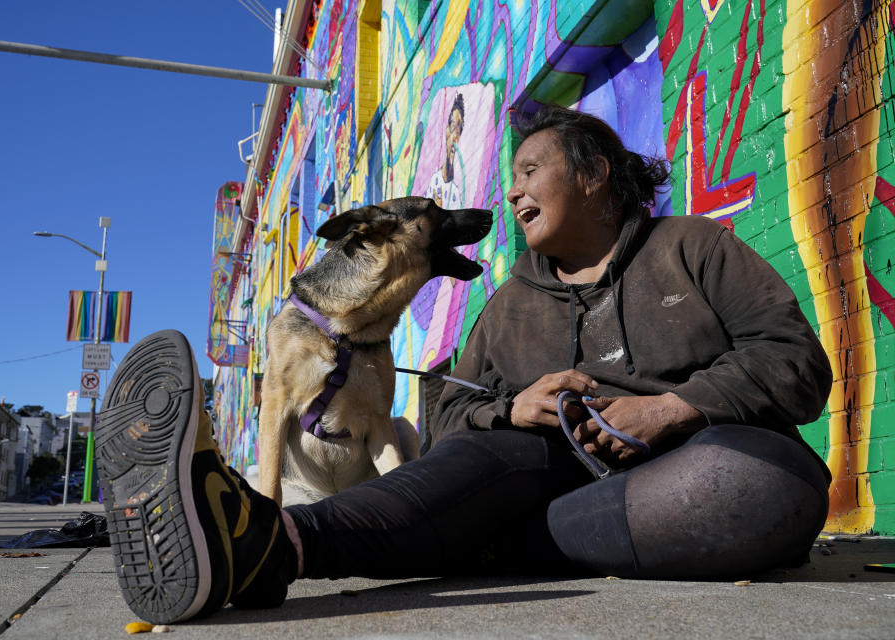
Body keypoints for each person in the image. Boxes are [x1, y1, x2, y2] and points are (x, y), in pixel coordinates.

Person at [95, 106, 832, 625]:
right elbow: (445, 417)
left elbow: (796, 362)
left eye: (530, 170)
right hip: (554, 488)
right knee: (480, 459)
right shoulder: (509, 303)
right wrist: (509, 410)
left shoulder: (692, 249)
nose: (511, 191)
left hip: (694, 463)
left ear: (595, 176)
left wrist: (674, 407)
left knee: (745, 489)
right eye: (511, 177)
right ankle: (258, 542)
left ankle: (477, 542)